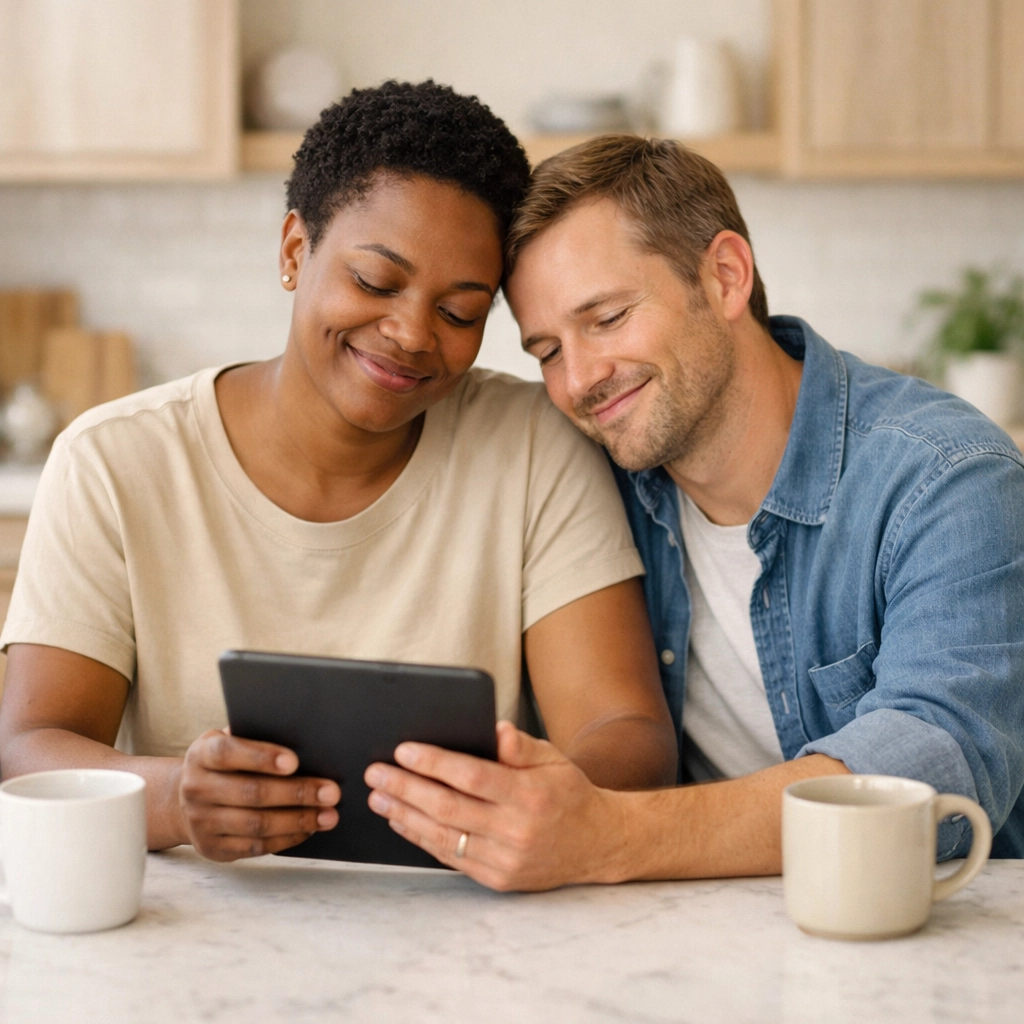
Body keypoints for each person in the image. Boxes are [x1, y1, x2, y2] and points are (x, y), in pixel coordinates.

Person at [0, 93, 678, 862]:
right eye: (376, 282)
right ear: (295, 250)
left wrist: (538, 809)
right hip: (197, 929)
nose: (411, 334)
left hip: (463, 926)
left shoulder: (531, 446)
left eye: (459, 313)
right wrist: (171, 800)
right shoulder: (113, 462)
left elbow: (626, 732)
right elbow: (27, 749)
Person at [364, 134, 1024, 891]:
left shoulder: (947, 480)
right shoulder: (593, 484)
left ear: (725, 276)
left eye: (607, 318)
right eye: (546, 351)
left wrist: (612, 836)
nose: (579, 380)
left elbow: (941, 760)